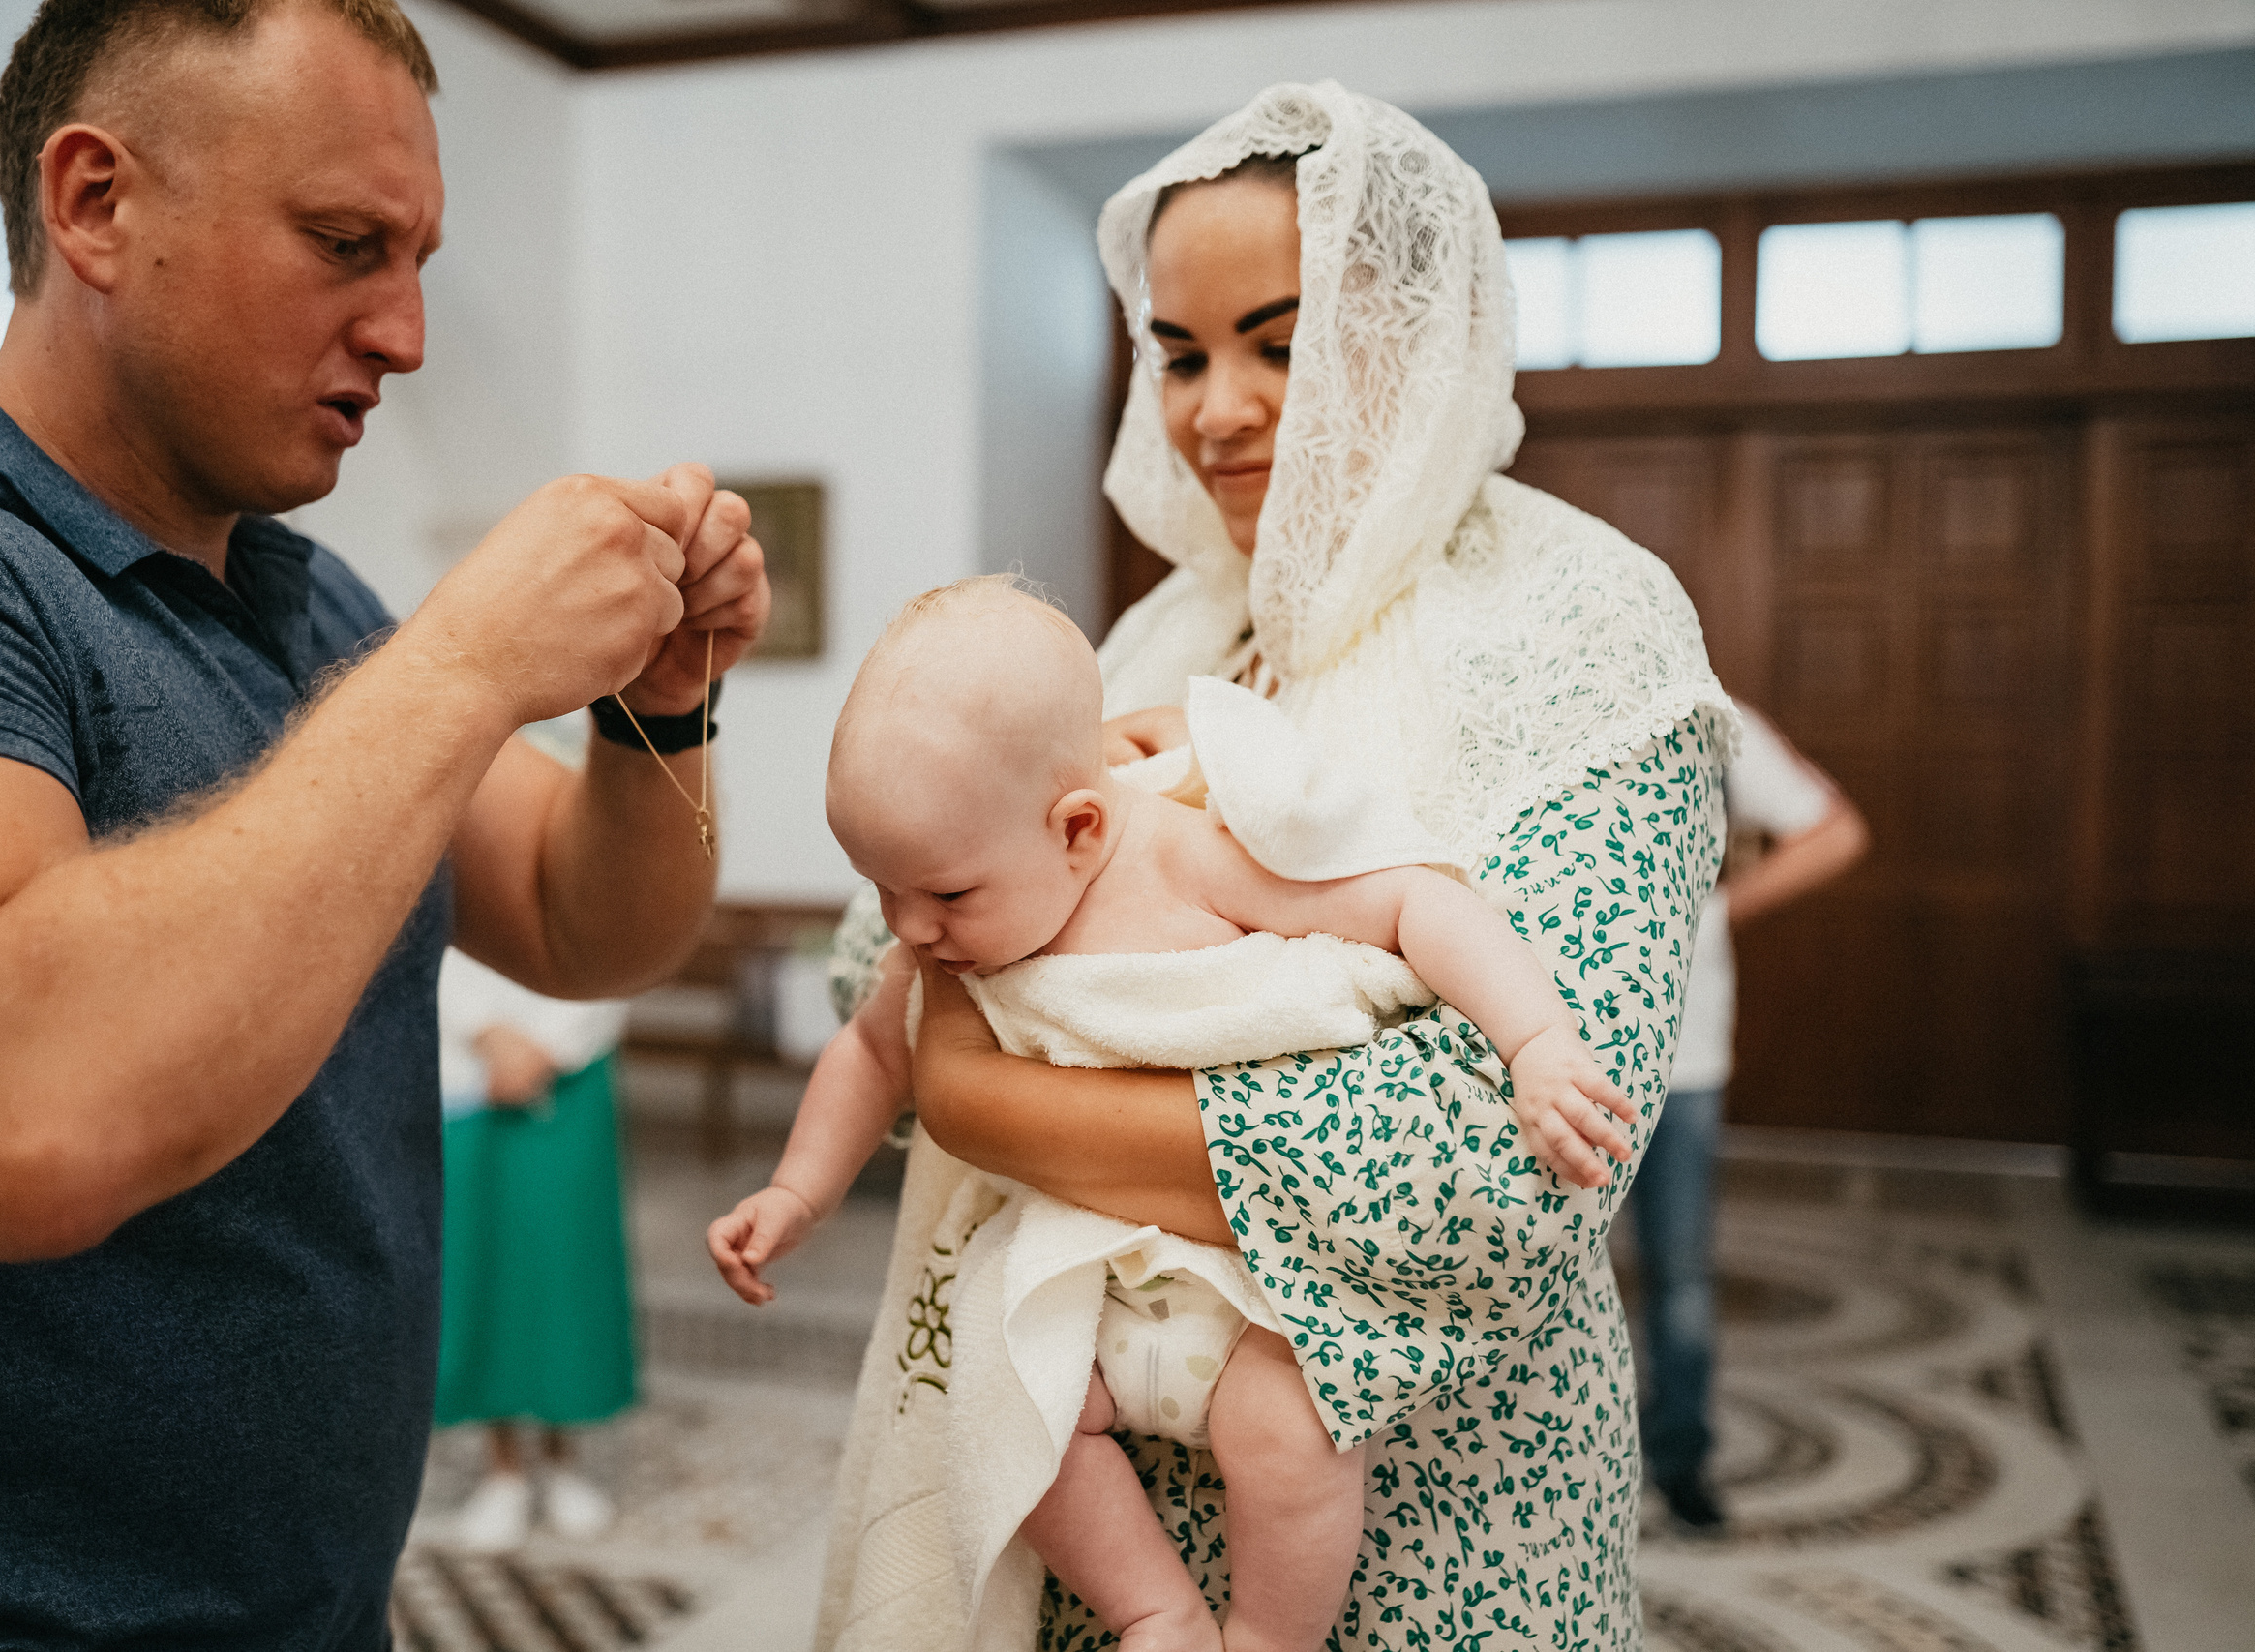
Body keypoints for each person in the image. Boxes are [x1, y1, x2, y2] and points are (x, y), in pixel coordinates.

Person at [0, 2, 767, 1643]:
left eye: (420, 255)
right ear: (94, 203)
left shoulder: (313, 615)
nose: (407, 329)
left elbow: (593, 926)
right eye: (344, 243)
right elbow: (9, 1120)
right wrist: (462, 662)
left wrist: (659, 701)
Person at [815, 84, 1731, 1652]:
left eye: (1277, 339)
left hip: (1437, 1548)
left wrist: (986, 1095)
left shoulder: (1582, 625)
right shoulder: (1173, 628)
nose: (1212, 408)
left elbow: (1490, 1170)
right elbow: (884, 944)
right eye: (1176, 352)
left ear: (1413, 330)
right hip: (1102, 1552)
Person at [709, 578, 1637, 1652]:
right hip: (1078, 1275)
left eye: (947, 896)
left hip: (1246, 1290)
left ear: (1079, 828)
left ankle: (1266, 1638)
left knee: (1291, 1431)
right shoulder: (950, 921)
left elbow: (1408, 902)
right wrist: (796, 1191)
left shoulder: (1184, 851)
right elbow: (876, 1048)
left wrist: (1535, 1044)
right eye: (883, 891)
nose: (911, 931)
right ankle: (1156, 1613)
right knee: (1008, 1408)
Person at [1622, 700, 1868, 1535]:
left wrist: (1720, 909)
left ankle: (1681, 1455)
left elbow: (1834, 829)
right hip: (1538, 1045)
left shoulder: (1713, 719)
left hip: (1682, 1052)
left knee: (1680, 1270)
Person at [436, 947, 640, 1552]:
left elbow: (615, 940)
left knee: (563, 1268)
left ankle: (562, 1459)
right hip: (466, 1071)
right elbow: (428, 928)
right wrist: (485, 1032)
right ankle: (501, 1469)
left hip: (568, 1070)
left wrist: (549, 1045)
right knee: (481, 1265)